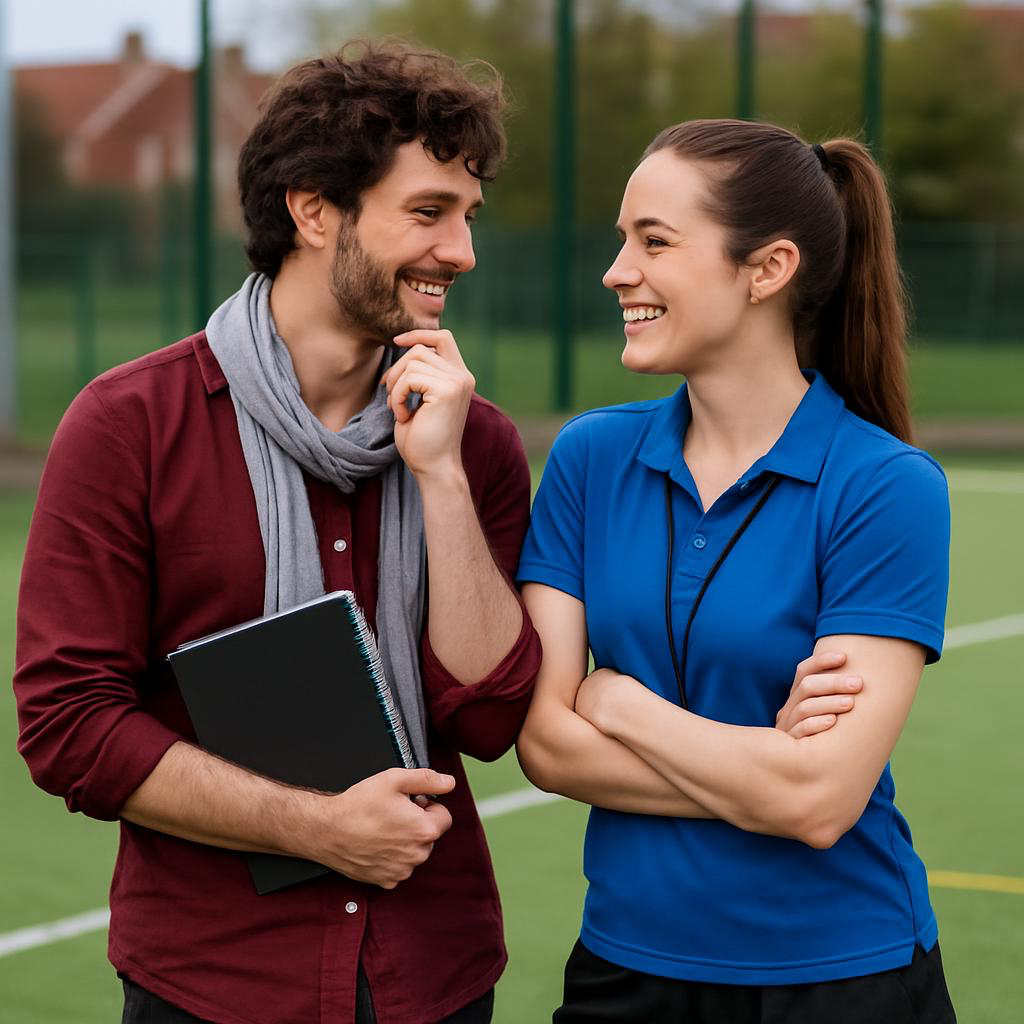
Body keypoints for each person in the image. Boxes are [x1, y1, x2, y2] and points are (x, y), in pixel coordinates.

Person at [14, 42, 541, 1024]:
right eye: (428, 213)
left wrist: (440, 478)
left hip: (433, 973)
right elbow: (69, 724)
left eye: (468, 218)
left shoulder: (479, 443)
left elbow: (486, 716)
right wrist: (316, 827)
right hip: (213, 981)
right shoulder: (130, 425)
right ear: (313, 209)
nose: (461, 253)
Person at [516, 119, 956, 1023]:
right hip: (621, 972)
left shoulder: (886, 487)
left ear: (768, 270)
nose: (617, 272)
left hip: (843, 979)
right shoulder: (589, 459)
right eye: (621, 240)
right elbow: (546, 749)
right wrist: (764, 775)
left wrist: (620, 704)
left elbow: (823, 799)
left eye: (655, 242)